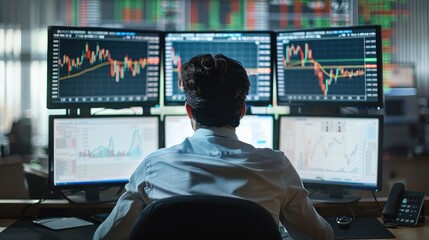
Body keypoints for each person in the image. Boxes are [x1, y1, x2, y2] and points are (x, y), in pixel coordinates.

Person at [93, 54, 334, 240]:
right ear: (242, 111)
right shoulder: (276, 167)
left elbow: (105, 237)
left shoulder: (153, 167)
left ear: (189, 110)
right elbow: (320, 237)